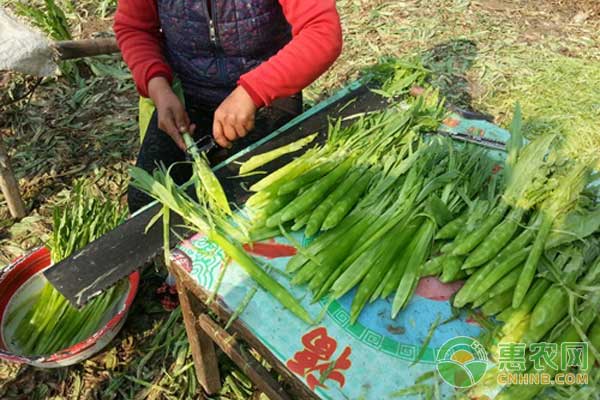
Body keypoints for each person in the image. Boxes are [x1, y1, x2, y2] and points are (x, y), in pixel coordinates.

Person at [114, 0, 343, 212]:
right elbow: (134, 28)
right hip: (188, 95)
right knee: (146, 200)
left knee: (250, 201)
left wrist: (253, 92)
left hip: (269, 97)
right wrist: (158, 88)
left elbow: (323, 33)